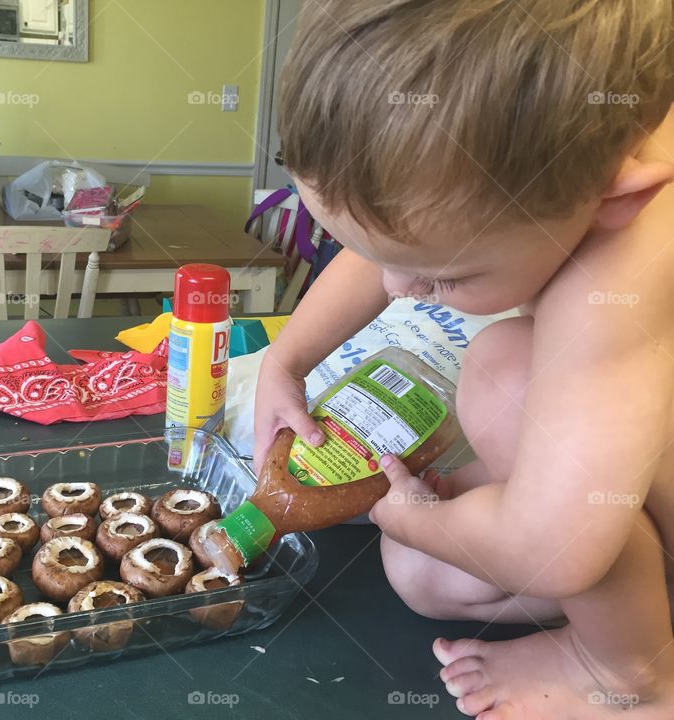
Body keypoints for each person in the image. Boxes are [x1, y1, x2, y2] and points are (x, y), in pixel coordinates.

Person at [254, 2, 674, 718]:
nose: (397, 290)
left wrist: (401, 510)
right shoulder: (551, 165)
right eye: (379, 256)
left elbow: (562, 543)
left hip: (613, 511)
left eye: (444, 277)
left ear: (616, 201)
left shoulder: (624, 274)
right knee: (420, 575)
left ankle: (629, 671)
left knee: (504, 372)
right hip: (618, 499)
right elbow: (388, 243)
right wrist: (286, 360)